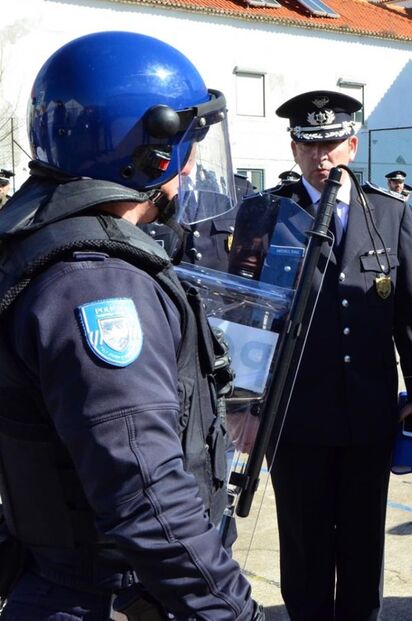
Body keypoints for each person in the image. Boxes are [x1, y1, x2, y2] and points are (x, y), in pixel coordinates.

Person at [0, 31, 261, 620]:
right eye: (189, 144)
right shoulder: (97, 284)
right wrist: (232, 612)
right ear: (150, 150)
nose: (191, 166)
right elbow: (145, 495)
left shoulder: (39, 245)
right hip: (103, 597)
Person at [242, 89, 412, 621]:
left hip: (367, 411)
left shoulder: (389, 212)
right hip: (295, 413)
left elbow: (410, 313)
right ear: (293, 149)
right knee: (303, 543)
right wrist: (242, 403)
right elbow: (245, 316)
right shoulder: (265, 213)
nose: (320, 155)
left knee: (362, 540)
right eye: (309, 145)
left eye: (331, 143)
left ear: (352, 145)